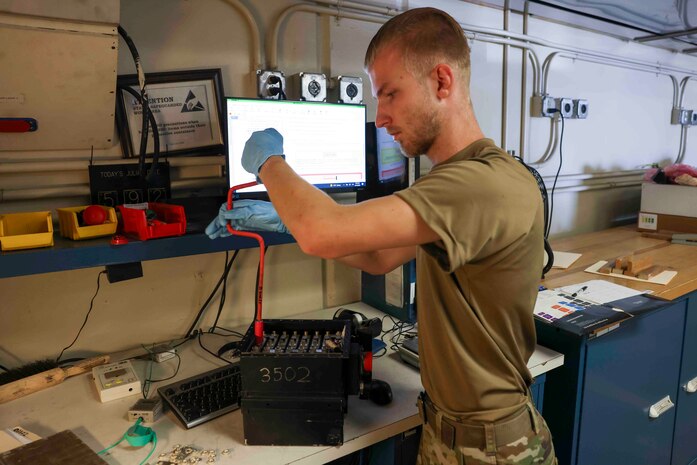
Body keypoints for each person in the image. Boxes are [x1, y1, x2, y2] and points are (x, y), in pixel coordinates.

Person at [207, 7, 557, 465]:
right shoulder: (452, 183)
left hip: (492, 447)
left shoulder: (481, 183)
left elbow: (324, 233)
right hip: (447, 430)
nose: (381, 116)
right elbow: (376, 256)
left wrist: (269, 164)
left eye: (391, 93)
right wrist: (282, 219)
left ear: (442, 81)